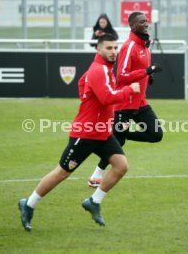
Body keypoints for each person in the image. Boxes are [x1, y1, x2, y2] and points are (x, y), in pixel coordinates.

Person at [18, 34, 140, 231]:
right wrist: (129, 90)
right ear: (98, 49)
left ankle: (94, 201)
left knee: (121, 165)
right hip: (85, 134)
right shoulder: (99, 70)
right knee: (62, 173)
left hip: (101, 132)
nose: (113, 52)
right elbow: (108, 97)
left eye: (115, 48)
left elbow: (83, 84)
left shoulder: (104, 69)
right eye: (109, 48)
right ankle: (29, 203)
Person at [88, 12, 163, 188]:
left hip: (140, 102)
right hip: (125, 103)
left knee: (156, 134)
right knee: (118, 142)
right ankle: (95, 176)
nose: (145, 23)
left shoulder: (145, 46)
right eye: (141, 22)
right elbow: (121, 77)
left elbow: (138, 72)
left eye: (146, 21)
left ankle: (117, 135)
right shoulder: (129, 47)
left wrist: (147, 77)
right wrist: (146, 72)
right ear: (132, 26)